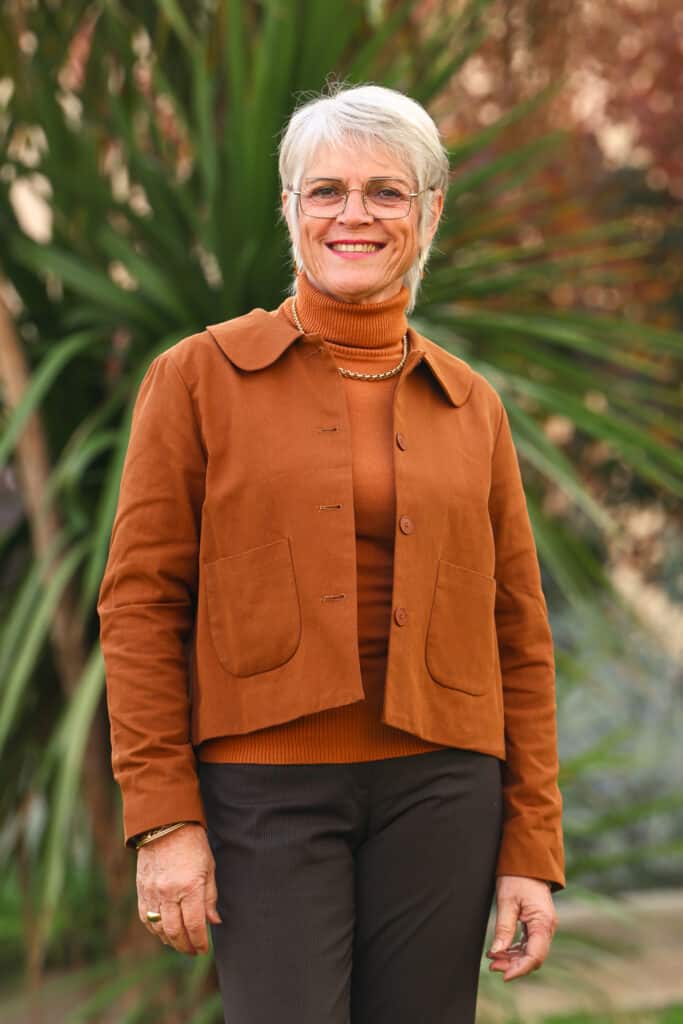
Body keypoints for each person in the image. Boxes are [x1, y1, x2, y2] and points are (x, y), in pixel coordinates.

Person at [97, 81, 564, 1023]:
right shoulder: (196, 378)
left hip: (444, 793)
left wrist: (530, 849)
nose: (355, 214)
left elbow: (518, 632)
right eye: (326, 191)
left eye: (386, 191)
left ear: (429, 212)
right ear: (290, 208)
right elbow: (140, 604)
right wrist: (165, 816)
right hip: (261, 796)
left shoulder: (470, 404)